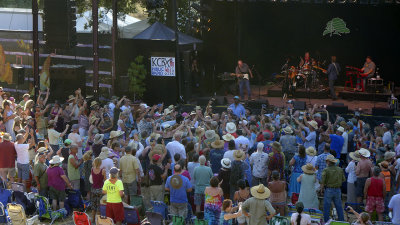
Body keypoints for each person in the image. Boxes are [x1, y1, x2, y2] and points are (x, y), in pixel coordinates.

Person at [320, 154, 345, 222]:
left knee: (327, 207)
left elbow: (322, 181)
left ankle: (326, 222)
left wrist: (321, 189)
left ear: (328, 161)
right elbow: (343, 179)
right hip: (337, 189)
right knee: (339, 207)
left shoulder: (326, 170)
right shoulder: (340, 169)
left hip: (328, 189)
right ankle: (341, 221)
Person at [90, 157, 106, 222]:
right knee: (99, 206)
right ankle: (98, 221)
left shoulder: (92, 169)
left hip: (93, 189)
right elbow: (105, 180)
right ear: (100, 163)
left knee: (93, 206)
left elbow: (92, 178)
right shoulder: (103, 170)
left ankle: (93, 220)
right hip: (100, 189)